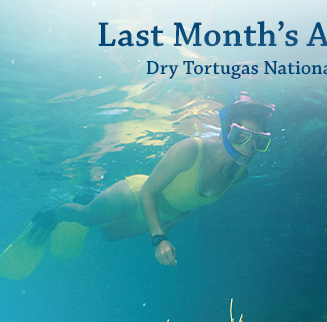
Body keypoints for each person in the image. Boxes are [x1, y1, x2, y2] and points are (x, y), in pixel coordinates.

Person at [0, 96, 275, 280]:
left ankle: (88, 197)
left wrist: (169, 226)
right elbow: (148, 192)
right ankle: (51, 215)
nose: (248, 148)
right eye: (241, 137)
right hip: (136, 195)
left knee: (107, 233)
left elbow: (193, 202)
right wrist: (159, 238)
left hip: (162, 215)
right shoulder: (191, 149)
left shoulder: (239, 174)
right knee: (86, 218)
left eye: (258, 142)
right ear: (228, 130)